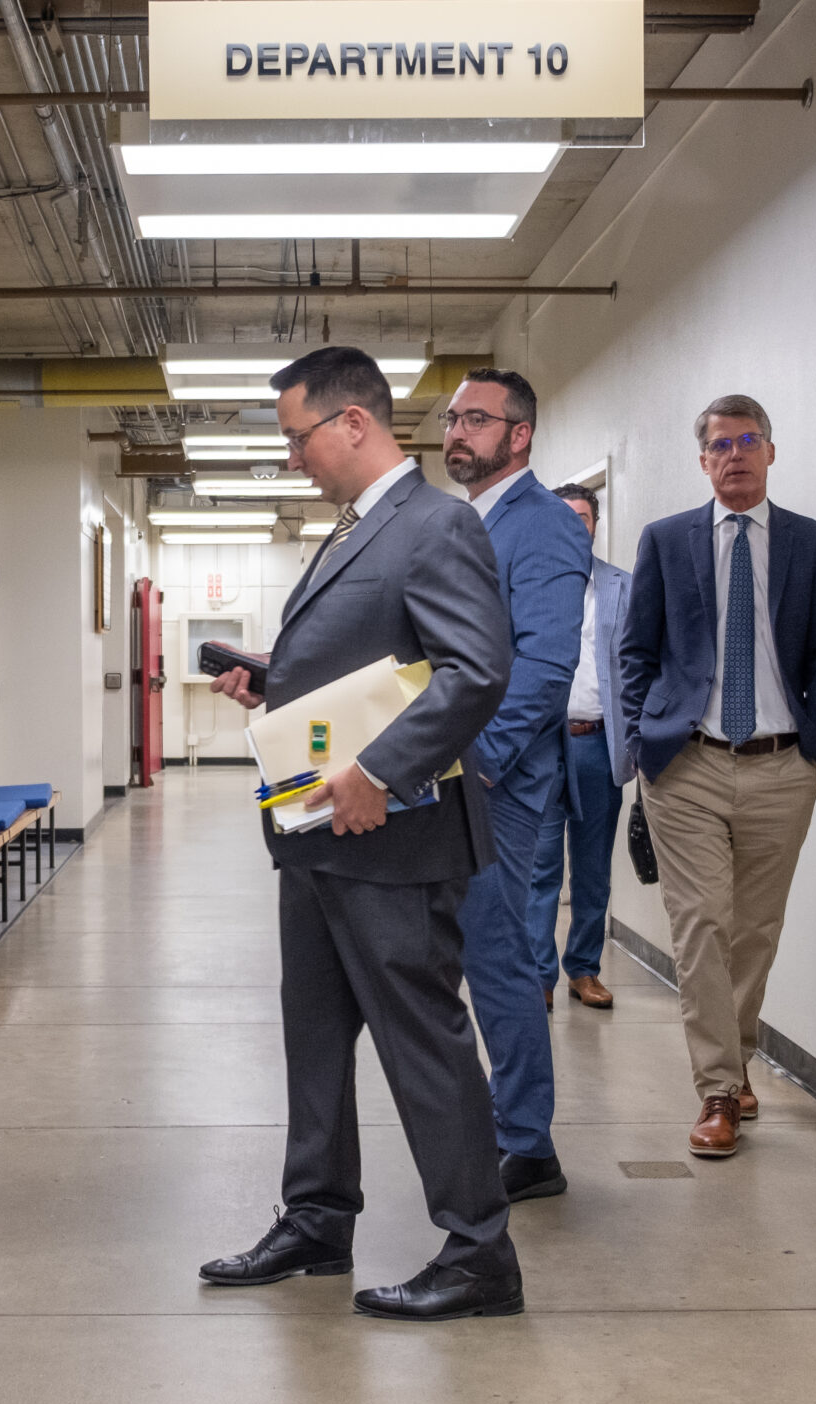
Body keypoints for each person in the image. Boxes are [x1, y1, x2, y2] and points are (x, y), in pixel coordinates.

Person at [197, 346, 525, 1322]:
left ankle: (479, 1252)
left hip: (392, 839)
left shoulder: (434, 525)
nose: (293, 456)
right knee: (314, 1035)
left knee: (421, 1042)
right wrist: (274, 680)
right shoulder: (353, 529)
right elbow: (381, 656)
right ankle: (317, 1216)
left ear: (353, 423)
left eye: (298, 436)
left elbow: (476, 671)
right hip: (318, 837)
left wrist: (378, 767)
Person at [618, 395, 816, 1159]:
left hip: (784, 765)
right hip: (687, 763)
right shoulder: (666, 539)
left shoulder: (811, 543)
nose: (735, 454)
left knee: (754, 930)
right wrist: (638, 736)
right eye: (720, 444)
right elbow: (636, 652)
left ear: (771, 452)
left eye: (749, 441)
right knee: (702, 923)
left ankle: (735, 1054)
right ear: (703, 458)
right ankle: (717, 1089)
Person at [439, 368, 592, 1202]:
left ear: (520, 434)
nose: (457, 431)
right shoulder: (468, 522)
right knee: (470, 956)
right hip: (448, 771)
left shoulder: (541, 527)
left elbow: (544, 667)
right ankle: (501, 1124)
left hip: (497, 779)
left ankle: (528, 1144)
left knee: (500, 963)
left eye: (476, 418)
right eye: (453, 417)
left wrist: (482, 758)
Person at [526, 483, 633, 1011]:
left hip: (596, 743)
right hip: (543, 745)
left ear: (595, 524)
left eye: (584, 518)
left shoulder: (622, 587)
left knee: (592, 868)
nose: (575, 526)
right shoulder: (528, 586)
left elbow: (638, 668)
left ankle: (583, 969)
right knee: (541, 867)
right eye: (565, 517)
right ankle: (538, 974)